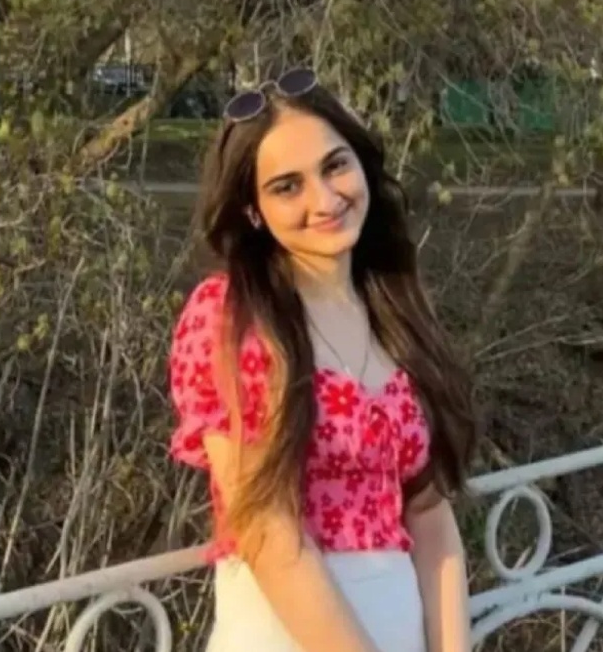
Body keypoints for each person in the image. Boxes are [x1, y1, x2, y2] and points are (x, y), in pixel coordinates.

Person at [167, 68, 479, 652]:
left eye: (335, 166)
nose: (325, 199)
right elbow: (268, 532)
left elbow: (431, 516)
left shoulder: (394, 310)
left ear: (361, 163)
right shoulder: (231, 319)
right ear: (253, 209)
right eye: (287, 186)